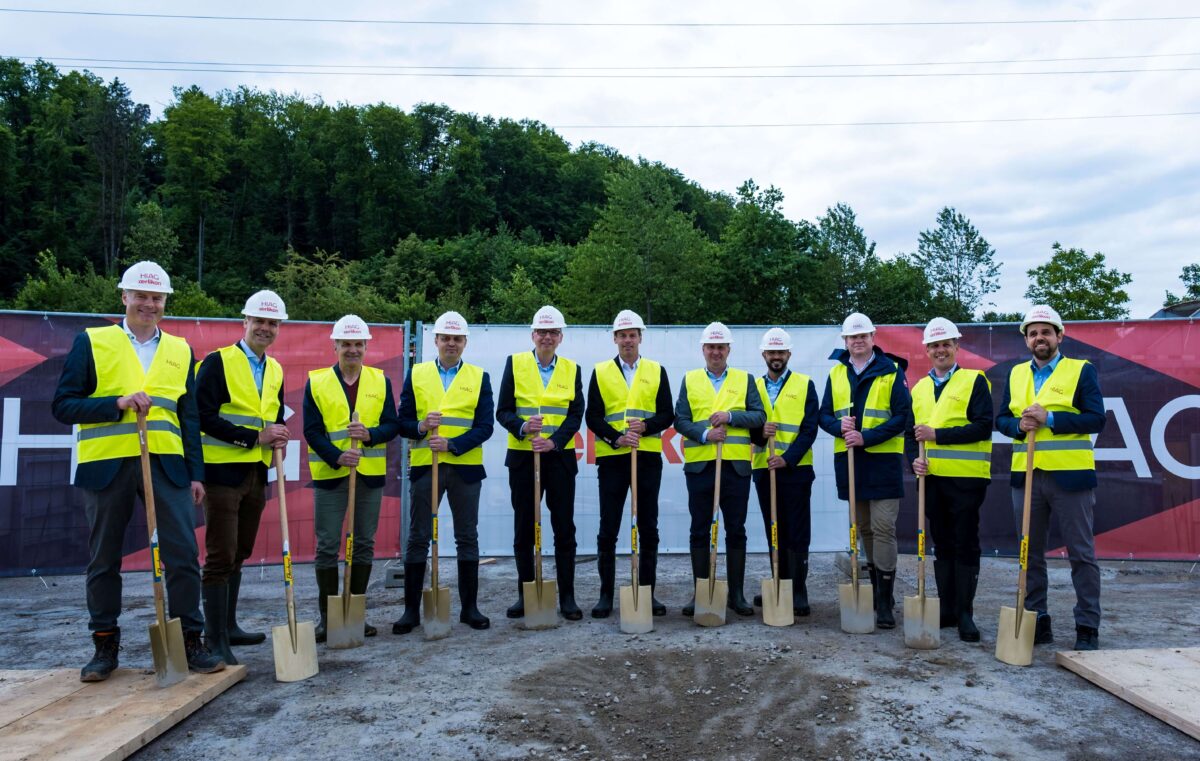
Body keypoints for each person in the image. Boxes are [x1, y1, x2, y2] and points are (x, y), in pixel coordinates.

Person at [52, 261, 224, 681]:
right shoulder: (92, 342)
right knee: (104, 559)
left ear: (165, 301)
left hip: (167, 467)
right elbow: (63, 405)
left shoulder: (181, 350)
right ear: (124, 297)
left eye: (157, 297)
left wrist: (196, 474)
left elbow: (189, 419)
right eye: (141, 296)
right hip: (107, 465)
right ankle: (104, 645)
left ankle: (189, 640)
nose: (149, 303)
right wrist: (116, 403)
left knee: (183, 553)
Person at [996, 305, 1106, 651]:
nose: (1039, 338)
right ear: (1026, 340)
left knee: (1081, 554)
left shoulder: (1080, 371)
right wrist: (1018, 426)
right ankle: (1037, 618)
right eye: (1033, 333)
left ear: (1060, 335)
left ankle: (1087, 625)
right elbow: (1002, 420)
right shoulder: (1015, 375)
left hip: (1070, 478)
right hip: (1027, 477)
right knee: (1029, 554)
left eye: (1046, 332)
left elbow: (1096, 419)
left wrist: (1051, 418)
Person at [196, 289, 291, 664]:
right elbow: (201, 415)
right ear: (245, 322)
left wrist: (278, 431)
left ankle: (229, 627)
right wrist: (255, 437)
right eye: (260, 321)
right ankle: (213, 639)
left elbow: (273, 415)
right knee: (220, 555)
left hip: (257, 472)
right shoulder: (217, 362)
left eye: (272, 323)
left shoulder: (276, 369)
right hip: (221, 473)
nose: (265, 328)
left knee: (241, 551)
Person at [392, 311, 494, 634]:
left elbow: (485, 427)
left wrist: (453, 444)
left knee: (467, 537)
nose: (451, 343)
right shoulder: (417, 373)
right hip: (426, 468)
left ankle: (470, 608)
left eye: (457, 338)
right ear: (435, 340)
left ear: (465, 342)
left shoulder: (480, 377)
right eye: (445, 338)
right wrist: (421, 427)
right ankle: (411, 611)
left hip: (465, 469)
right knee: (419, 537)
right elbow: (402, 422)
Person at [303, 314, 400, 641]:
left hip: (368, 476)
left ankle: (356, 614)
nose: (353, 349)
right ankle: (329, 619)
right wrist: (336, 455)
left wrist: (370, 434)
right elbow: (312, 431)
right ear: (335, 345)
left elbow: (392, 426)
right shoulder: (316, 382)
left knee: (363, 544)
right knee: (328, 545)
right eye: (347, 344)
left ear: (366, 346)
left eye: (359, 344)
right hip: (331, 475)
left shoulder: (380, 381)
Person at [818, 312, 911, 629]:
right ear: (845, 341)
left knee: (883, 527)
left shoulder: (892, 371)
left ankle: (885, 602)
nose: (858, 341)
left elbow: (902, 417)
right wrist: (837, 426)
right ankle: (876, 591)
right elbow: (824, 416)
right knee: (864, 529)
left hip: (882, 462)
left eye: (863, 336)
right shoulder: (836, 373)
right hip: (850, 462)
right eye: (852, 337)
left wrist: (866, 437)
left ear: (873, 338)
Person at [496, 305, 585, 621]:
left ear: (560, 337)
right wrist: (522, 427)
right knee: (524, 528)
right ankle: (526, 594)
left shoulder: (572, 369)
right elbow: (503, 410)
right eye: (541, 332)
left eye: (553, 332)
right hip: (523, 459)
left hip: (559, 460)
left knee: (564, 528)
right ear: (533, 335)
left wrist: (554, 441)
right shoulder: (515, 364)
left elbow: (576, 414)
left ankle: (569, 599)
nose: (547, 337)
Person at [906, 318, 993, 642]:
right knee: (942, 545)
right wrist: (912, 461)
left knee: (965, 543)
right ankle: (947, 609)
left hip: (967, 481)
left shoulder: (974, 381)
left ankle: (966, 613)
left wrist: (937, 435)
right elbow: (909, 435)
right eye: (935, 345)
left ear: (957, 346)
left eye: (946, 344)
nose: (940, 350)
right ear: (927, 350)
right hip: (932, 482)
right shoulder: (919, 389)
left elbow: (983, 427)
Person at [584, 309, 674, 618]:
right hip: (612, 459)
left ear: (640, 338)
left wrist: (646, 427)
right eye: (622, 335)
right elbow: (592, 415)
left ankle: (647, 593)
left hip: (647, 458)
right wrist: (616, 438)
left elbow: (667, 413)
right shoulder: (600, 372)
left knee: (648, 526)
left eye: (632, 335)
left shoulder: (656, 370)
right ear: (615, 339)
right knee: (608, 527)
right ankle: (606, 595)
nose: (627, 340)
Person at [674, 322, 766, 618]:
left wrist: (730, 416)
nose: (716, 352)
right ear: (703, 349)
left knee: (735, 530)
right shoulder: (690, 380)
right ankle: (702, 592)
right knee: (699, 529)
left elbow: (759, 416)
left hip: (736, 468)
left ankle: (736, 595)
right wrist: (704, 435)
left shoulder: (745, 379)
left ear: (729, 350)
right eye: (711, 347)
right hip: (700, 467)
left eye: (721, 347)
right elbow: (680, 420)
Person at [748, 328, 819, 616]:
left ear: (788, 354)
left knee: (797, 530)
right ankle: (778, 584)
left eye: (781, 352)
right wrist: (760, 434)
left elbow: (809, 429)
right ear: (764, 355)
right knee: (773, 528)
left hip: (796, 469)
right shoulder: (752, 386)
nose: (776, 357)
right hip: (764, 469)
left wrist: (787, 459)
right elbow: (747, 426)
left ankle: (798, 591)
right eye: (771, 353)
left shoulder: (804, 384)